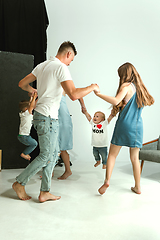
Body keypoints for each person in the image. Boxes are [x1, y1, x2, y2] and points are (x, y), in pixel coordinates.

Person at [12, 41, 100, 202]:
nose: (70, 63)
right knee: (46, 155)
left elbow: (21, 84)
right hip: (47, 118)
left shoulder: (43, 66)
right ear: (68, 54)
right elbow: (73, 94)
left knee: (53, 155)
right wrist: (92, 87)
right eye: (71, 60)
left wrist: (33, 91)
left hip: (44, 117)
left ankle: (45, 192)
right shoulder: (61, 67)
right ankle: (20, 182)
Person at [94, 62, 154, 195]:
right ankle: (137, 187)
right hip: (137, 127)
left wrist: (98, 94)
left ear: (124, 74)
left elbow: (116, 101)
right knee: (134, 158)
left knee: (112, 155)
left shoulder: (126, 86)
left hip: (123, 125)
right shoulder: (140, 88)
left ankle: (107, 180)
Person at [17, 93, 38, 160]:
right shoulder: (27, 113)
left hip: (22, 136)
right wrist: (34, 97)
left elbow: (30, 105)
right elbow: (31, 106)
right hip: (24, 136)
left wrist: (31, 97)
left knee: (33, 144)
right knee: (34, 144)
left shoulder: (23, 113)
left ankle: (26, 153)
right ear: (26, 109)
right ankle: (24, 154)